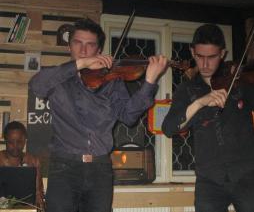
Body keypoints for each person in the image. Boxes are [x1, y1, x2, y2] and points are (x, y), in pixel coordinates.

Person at [29, 18, 168, 212]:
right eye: (78, 43)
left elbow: (129, 117)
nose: (83, 50)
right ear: (70, 47)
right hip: (64, 166)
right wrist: (80, 64)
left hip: (100, 168)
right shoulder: (58, 78)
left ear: (99, 50)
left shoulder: (112, 81)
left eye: (90, 45)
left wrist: (150, 81)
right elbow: (36, 85)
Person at [162, 24, 254, 212]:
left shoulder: (240, 82)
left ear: (223, 54)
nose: (205, 64)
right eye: (200, 56)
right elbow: (169, 128)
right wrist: (200, 102)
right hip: (209, 179)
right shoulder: (187, 90)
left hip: (246, 174)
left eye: (212, 57)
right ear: (193, 52)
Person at [0, 121, 45, 210]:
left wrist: (39, 203)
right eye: (11, 142)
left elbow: (38, 193)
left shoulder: (33, 161)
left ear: (25, 140)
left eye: (19, 141)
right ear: (5, 140)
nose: (15, 146)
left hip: (26, 209)